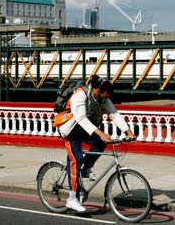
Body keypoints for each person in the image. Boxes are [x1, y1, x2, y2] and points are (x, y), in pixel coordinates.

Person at [58, 75, 136, 212]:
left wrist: (128, 131)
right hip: (70, 130)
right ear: (96, 89)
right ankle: (71, 199)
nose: (103, 99)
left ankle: (86, 168)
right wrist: (101, 133)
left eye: (106, 97)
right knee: (76, 159)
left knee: (101, 143)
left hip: (85, 130)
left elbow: (114, 114)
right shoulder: (80, 95)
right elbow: (81, 118)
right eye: (102, 96)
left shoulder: (102, 98)